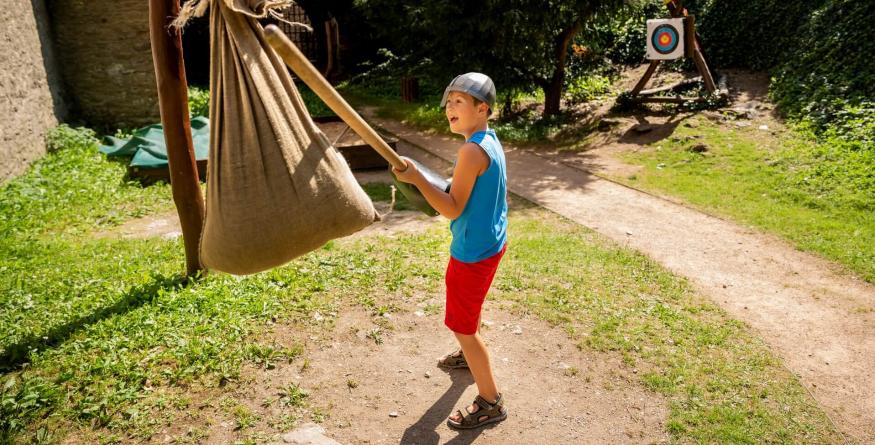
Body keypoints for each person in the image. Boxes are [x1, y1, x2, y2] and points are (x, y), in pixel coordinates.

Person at [392, 72, 508, 430]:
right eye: (449, 102)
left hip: (472, 254)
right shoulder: (488, 141)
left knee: (462, 325)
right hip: (491, 242)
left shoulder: (471, 150)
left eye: (460, 101)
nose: (450, 108)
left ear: (482, 108)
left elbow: (453, 207)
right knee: (467, 314)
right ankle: (467, 356)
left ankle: (491, 401)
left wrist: (416, 180)